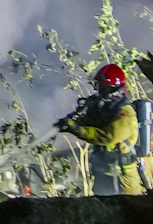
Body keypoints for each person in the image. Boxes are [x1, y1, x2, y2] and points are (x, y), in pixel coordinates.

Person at [55, 63, 144, 195]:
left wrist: (77, 130)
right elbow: (89, 122)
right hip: (102, 173)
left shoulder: (126, 113)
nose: (99, 91)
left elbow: (109, 137)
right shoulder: (105, 110)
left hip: (124, 177)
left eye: (103, 87)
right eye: (99, 86)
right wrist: (71, 121)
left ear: (114, 89)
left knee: (128, 211)